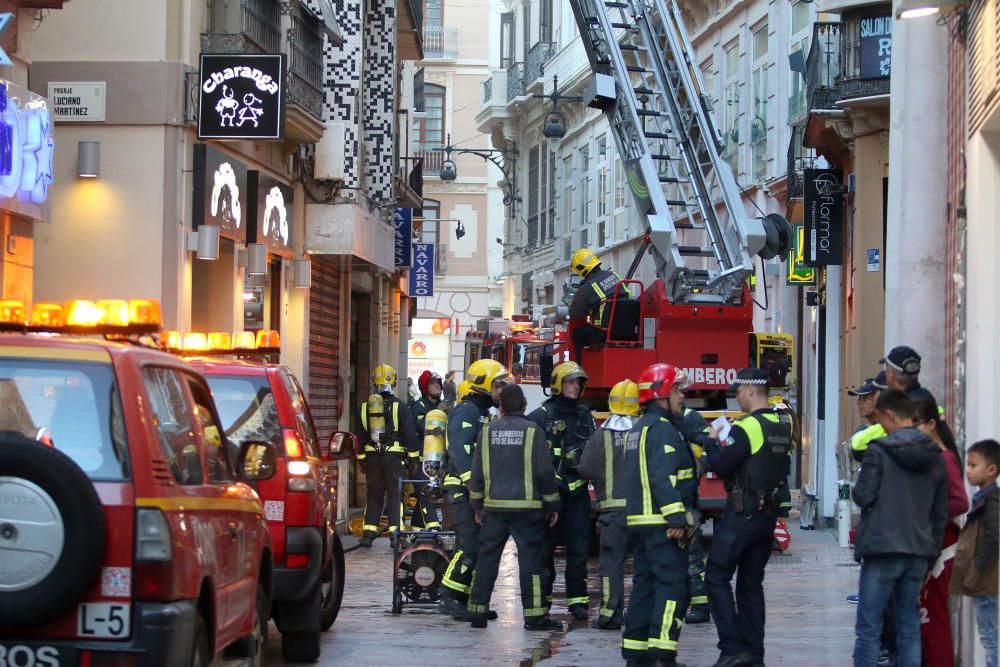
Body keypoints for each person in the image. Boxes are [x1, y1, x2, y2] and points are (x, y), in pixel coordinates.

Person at [702, 368, 792, 667]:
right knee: (751, 584)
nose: (736, 396)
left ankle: (732, 648)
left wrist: (712, 440)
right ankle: (755, 654)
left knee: (716, 575)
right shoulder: (780, 425)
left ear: (751, 391)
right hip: (767, 516)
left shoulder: (747, 427)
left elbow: (722, 465)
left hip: (744, 512)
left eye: (738, 391)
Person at [851, 389, 948, 667]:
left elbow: (862, 496)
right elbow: (939, 512)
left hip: (882, 548)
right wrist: (931, 553)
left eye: (881, 420)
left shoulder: (879, 452)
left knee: (869, 628)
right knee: (909, 626)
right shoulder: (935, 456)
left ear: (891, 415)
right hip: (918, 551)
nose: (880, 426)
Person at [466, 383, 562, 631]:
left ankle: (477, 611)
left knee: (487, 559)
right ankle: (535, 616)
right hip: (528, 509)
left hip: (494, 508)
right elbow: (544, 471)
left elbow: (477, 471)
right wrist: (552, 504)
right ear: (524, 405)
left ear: (501, 407)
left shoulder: (486, 432)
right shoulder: (533, 431)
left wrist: (477, 504)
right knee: (531, 563)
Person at [621, 363, 697, 667]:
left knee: (644, 587)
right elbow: (662, 478)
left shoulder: (639, 429)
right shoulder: (664, 430)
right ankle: (663, 653)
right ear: (662, 393)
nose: (683, 397)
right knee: (672, 587)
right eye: (678, 390)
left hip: (642, 524)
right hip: (663, 525)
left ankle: (636, 653)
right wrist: (677, 518)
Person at [437, 359, 511, 620]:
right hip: (461, 489)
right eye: (498, 385)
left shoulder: (483, 413)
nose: (501, 390)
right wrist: (473, 486)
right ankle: (449, 595)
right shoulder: (465, 411)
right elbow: (460, 451)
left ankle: (466, 599)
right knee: (468, 546)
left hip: (477, 491)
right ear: (484, 385)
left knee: (478, 546)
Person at [528, 361, 596, 620]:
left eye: (578, 382)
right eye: (570, 381)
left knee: (579, 551)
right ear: (558, 384)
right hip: (551, 496)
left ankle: (577, 602)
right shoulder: (540, 417)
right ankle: (542, 602)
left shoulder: (584, 414)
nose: (575, 386)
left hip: (578, 494)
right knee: (545, 551)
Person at [911, 397, 968, 667]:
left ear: (931, 424)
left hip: (942, 550)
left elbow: (960, 502)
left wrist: (929, 508)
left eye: (916, 425)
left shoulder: (945, 459)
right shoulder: (935, 458)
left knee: (934, 621)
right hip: (932, 545)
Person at [578, 379, 638, 630]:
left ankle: (611, 613)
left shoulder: (601, 433)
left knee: (611, 563)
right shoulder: (645, 430)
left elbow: (586, 468)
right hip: (642, 513)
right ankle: (641, 613)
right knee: (646, 566)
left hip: (612, 513)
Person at [356, 364, 420, 548]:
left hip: (372, 458)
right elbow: (409, 434)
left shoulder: (364, 407)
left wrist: (361, 459)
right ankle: (395, 533)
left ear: (374, 382)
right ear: (393, 381)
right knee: (395, 494)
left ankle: (368, 533)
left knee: (374, 494)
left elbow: (359, 435)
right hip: (394, 459)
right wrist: (414, 459)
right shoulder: (401, 406)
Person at [951, 439, 999, 667]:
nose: (968, 471)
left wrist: (976, 570)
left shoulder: (992, 502)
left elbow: (992, 539)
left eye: (973, 465)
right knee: (988, 634)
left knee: (990, 636)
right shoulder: (983, 499)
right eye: (967, 465)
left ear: (992, 470)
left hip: (986, 580)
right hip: (983, 579)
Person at [675, 405, 714, 625]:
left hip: (685, 500)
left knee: (692, 556)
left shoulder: (690, 418)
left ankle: (700, 605)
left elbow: (709, 447)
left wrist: (698, 465)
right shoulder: (654, 419)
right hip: (661, 501)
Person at [567, 248, 629, 364]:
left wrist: (575, 298)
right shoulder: (614, 275)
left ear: (581, 269)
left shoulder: (587, 287)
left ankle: (579, 370)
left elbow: (575, 313)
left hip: (603, 333)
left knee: (577, 333)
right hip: (628, 330)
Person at [409, 370, 446, 531]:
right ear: (424, 387)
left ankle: (416, 531)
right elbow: (420, 426)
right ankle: (434, 529)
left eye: (438, 382)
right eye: (432, 383)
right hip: (422, 461)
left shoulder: (443, 405)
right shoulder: (419, 406)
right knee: (427, 494)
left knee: (425, 496)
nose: (437, 386)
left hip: (439, 460)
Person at [848, 371, 888, 463]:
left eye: (865, 397)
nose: (859, 402)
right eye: (858, 397)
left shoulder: (888, 426)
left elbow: (857, 444)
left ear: (878, 397)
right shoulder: (871, 428)